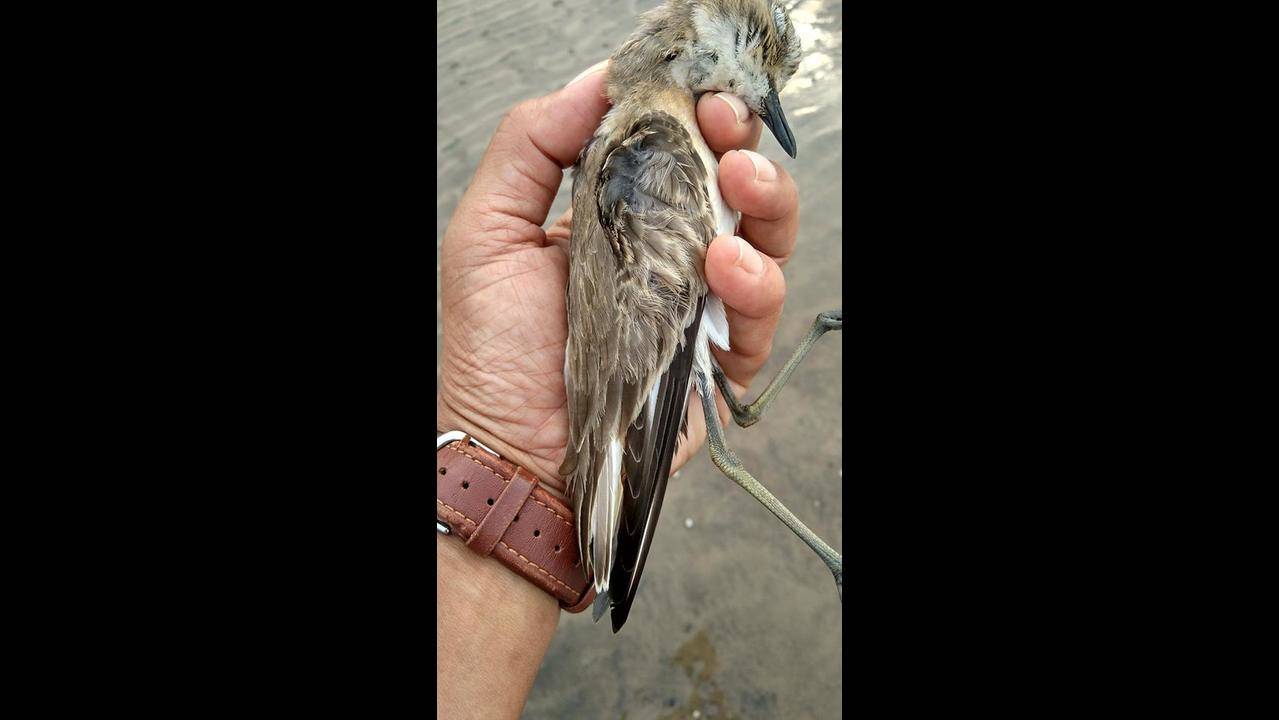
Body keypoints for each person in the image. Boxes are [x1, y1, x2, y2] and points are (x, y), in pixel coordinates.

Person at [437, 60, 804, 719]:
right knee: (714, 403)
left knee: (718, 377)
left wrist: (509, 467)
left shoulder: (649, 127)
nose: (766, 101)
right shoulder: (652, 144)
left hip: (640, 374)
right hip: (627, 405)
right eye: (764, 63)